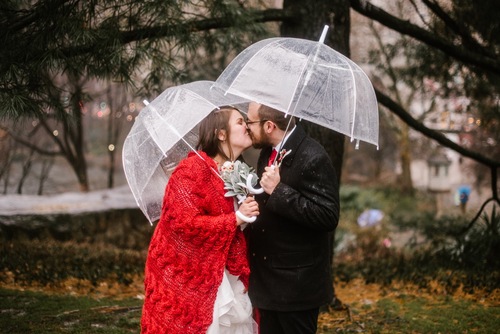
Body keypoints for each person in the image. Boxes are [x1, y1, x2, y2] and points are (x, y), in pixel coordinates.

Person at [141, 106, 260, 334]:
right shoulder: (191, 170)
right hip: (196, 278)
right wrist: (235, 219)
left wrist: (244, 217)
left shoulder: (238, 172)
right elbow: (184, 224)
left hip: (226, 273)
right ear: (221, 133)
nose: (246, 126)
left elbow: (230, 222)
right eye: (239, 122)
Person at [245, 102, 340, 334]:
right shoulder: (268, 151)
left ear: (269, 126)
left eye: (250, 122)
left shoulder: (313, 156)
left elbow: (328, 215)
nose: (247, 127)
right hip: (268, 280)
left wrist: (279, 191)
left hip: (297, 286)